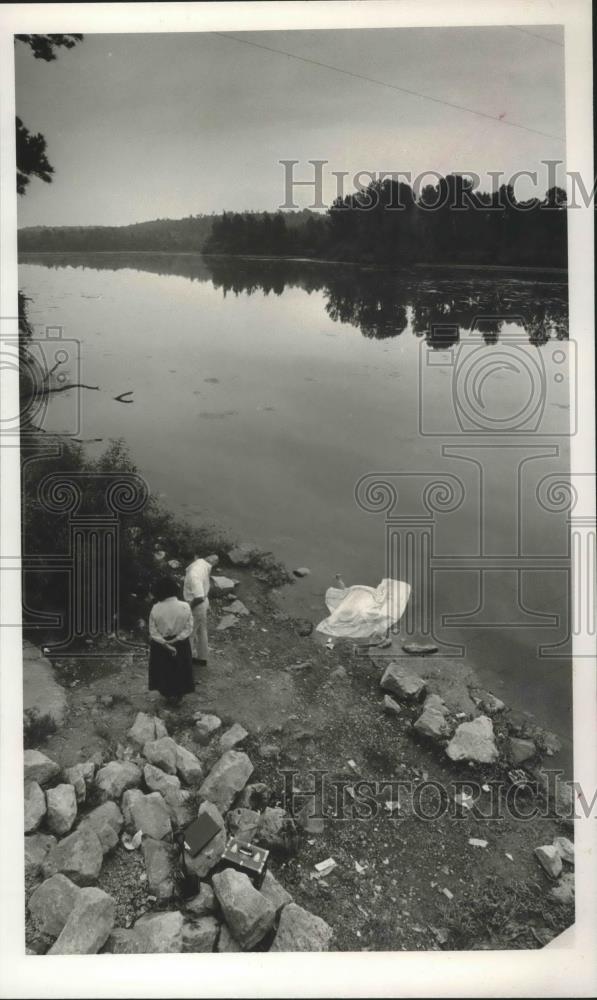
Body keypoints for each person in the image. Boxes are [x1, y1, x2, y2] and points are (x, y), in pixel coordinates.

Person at [148, 576, 194, 701]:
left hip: (161, 644)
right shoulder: (185, 606)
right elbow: (189, 628)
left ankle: (168, 694)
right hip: (181, 643)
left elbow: (153, 631)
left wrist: (165, 643)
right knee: (180, 668)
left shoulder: (156, 608)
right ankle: (179, 695)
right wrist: (177, 639)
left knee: (164, 669)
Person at [183, 553, 219, 665]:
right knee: (201, 630)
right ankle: (202, 658)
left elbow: (198, 596)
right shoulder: (203, 565)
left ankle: (185, 661)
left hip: (197, 604)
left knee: (189, 632)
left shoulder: (194, 573)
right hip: (204, 602)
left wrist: (189, 607)